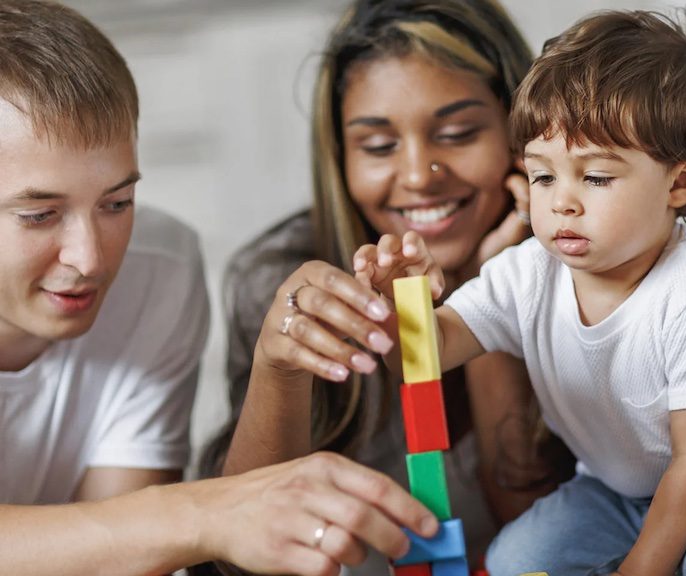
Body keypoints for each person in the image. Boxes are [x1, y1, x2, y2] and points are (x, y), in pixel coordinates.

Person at [352, 8, 686, 576]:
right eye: (543, 176)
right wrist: (400, 305)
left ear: (681, 182)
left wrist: (642, 567)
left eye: (595, 177)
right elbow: (426, 355)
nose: (562, 201)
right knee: (517, 561)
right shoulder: (528, 273)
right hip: (618, 490)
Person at [0, 1, 438, 575]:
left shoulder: (161, 267)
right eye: (39, 215)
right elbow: (147, 528)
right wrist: (209, 512)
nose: (91, 259)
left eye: (117, 203)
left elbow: (121, 555)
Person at [197, 0, 576, 573]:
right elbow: (238, 561)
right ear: (340, 157)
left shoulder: (588, 271)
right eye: (378, 146)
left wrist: (488, 288)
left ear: (522, 131)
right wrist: (280, 367)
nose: (420, 175)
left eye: (457, 133)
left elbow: (538, 533)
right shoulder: (285, 283)